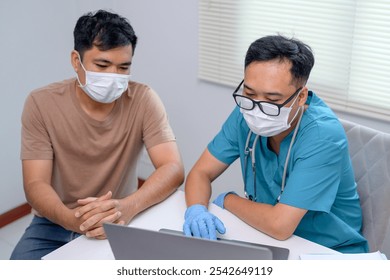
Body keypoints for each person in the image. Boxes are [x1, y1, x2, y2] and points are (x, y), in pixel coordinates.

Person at [11, 9, 184, 260]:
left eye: (123, 67)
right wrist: (72, 220)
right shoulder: (41, 103)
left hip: (119, 215)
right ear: (75, 60)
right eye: (102, 65)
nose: (113, 77)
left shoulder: (144, 99)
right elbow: (35, 184)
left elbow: (172, 167)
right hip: (55, 220)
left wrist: (128, 207)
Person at [183, 35, 368, 253]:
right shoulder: (246, 112)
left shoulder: (323, 136)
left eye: (272, 100)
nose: (257, 109)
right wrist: (196, 209)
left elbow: (280, 225)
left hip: (326, 250)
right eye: (250, 93)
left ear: (301, 98)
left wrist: (228, 199)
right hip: (265, 238)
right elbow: (200, 173)